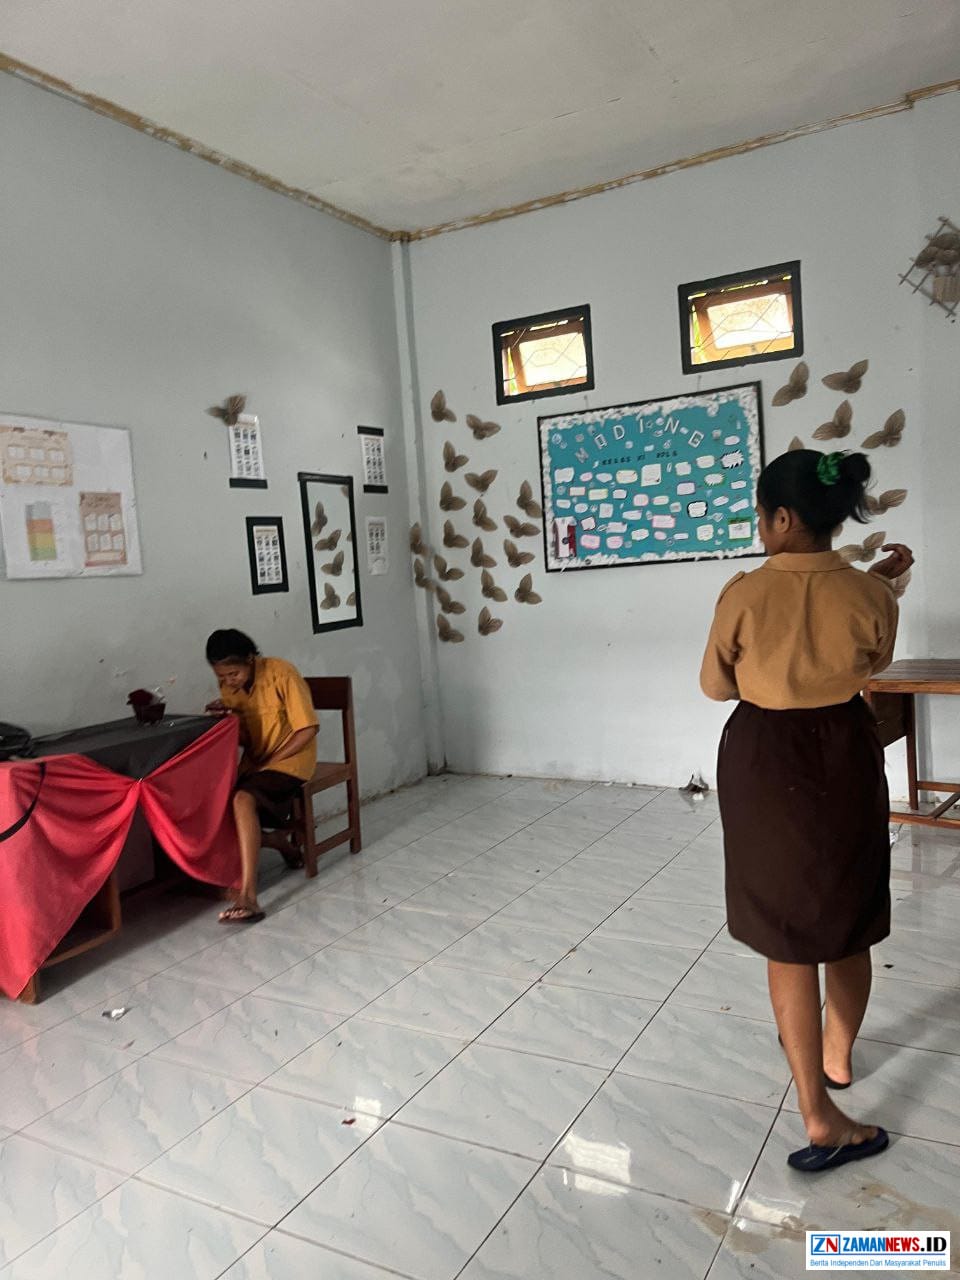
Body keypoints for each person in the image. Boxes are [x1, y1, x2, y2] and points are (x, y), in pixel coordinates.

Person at [700, 448, 914, 1174]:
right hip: (847, 750)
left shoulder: (742, 593)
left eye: (763, 517)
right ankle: (837, 1059)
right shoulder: (870, 595)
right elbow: (873, 662)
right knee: (848, 918)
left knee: (788, 934)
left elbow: (714, 685)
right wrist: (875, 584)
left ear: (782, 519)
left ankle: (819, 1118)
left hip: (764, 759)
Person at [205, 629, 319, 924]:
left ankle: (249, 896)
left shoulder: (282, 673)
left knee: (242, 799)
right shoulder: (229, 687)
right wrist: (228, 721)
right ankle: (281, 842)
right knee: (213, 803)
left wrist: (271, 760)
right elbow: (246, 738)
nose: (229, 681)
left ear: (251, 659)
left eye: (234, 673)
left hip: (291, 761)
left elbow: (307, 729)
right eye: (222, 677)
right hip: (257, 764)